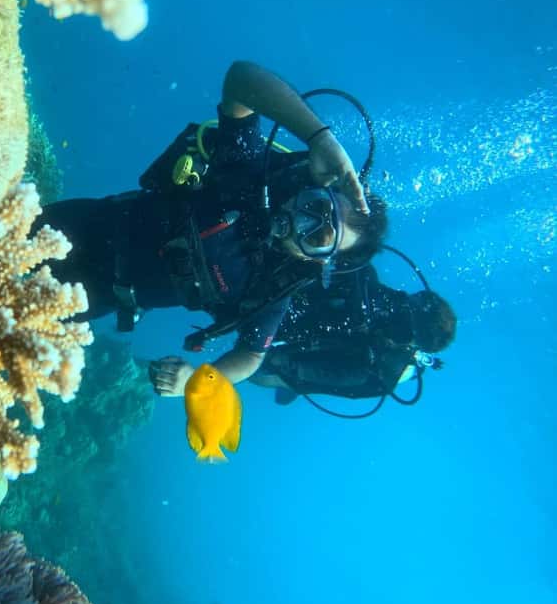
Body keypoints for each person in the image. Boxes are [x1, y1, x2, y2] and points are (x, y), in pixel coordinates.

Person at [36, 60, 388, 395]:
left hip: (97, 296)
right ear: (314, 187)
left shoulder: (271, 289)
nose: (302, 222)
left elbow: (251, 356)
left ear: (320, 258)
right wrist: (319, 138)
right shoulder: (249, 175)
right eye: (316, 207)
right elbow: (241, 79)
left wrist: (197, 381)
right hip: (81, 225)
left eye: (319, 235)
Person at [250, 263, 457, 409]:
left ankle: (286, 388)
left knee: (270, 374)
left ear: (404, 338)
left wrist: (263, 354)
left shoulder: (372, 369)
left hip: (308, 367)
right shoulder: (371, 288)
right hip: (320, 330)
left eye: (402, 318)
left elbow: (307, 372)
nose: (395, 305)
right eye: (405, 299)